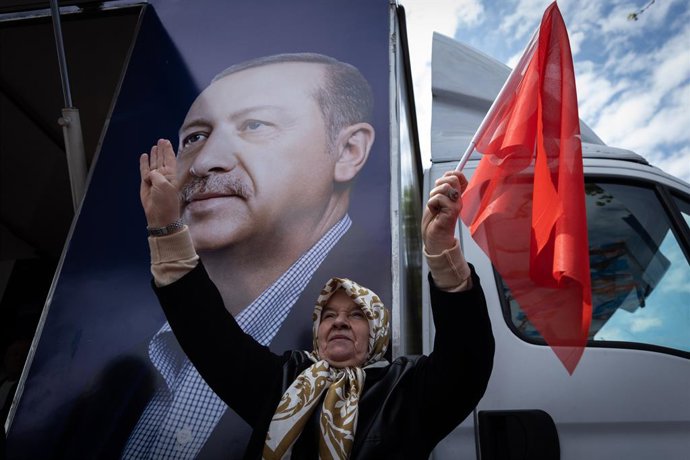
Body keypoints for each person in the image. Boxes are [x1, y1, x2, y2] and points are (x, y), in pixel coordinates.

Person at [139, 156, 495, 458]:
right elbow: (208, 334)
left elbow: (467, 358)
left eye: (356, 314)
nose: (339, 322)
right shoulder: (282, 384)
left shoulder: (406, 390)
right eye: (328, 315)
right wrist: (166, 228)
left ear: (378, 334)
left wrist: (441, 249)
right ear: (317, 334)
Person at [125, 53, 382, 458]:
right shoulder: (124, 363)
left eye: (255, 125)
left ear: (348, 150)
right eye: (194, 137)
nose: (206, 161)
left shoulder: (379, 329)